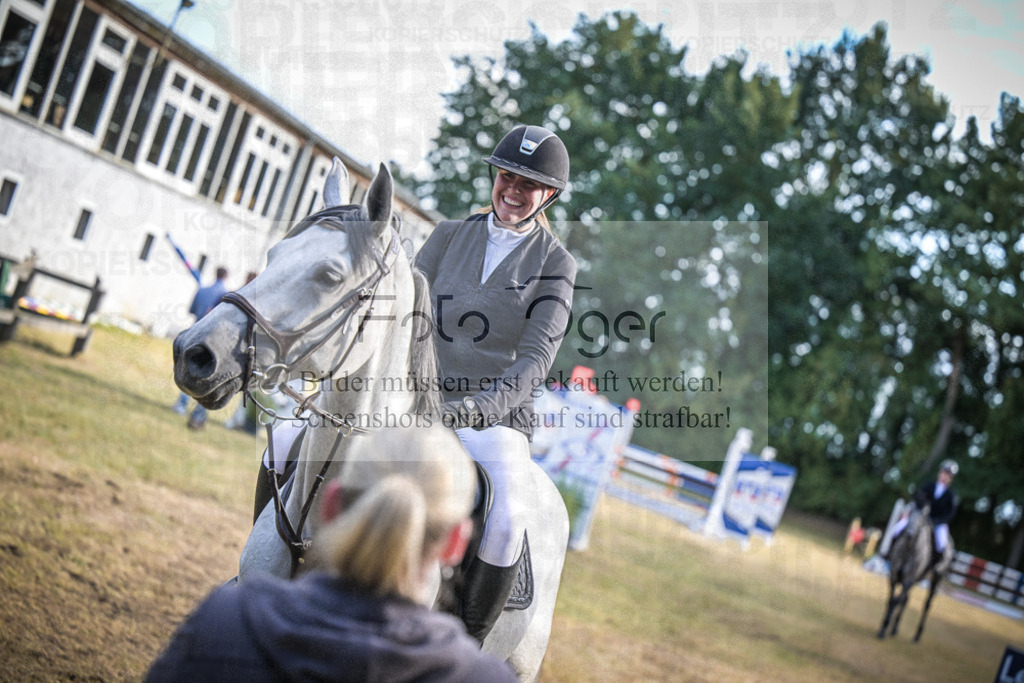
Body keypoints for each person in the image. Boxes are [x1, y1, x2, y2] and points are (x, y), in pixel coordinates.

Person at [146, 425, 517, 682]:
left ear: (332, 506)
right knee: (284, 438)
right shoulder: (485, 679)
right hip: (403, 398)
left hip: (482, 419)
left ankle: (474, 629)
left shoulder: (219, 621)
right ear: (455, 543)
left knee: (508, 522)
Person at [414, 124, 577, 642]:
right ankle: (266, 574)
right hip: (420, 396)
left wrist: (476, 409)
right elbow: (407, 315)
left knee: (508, 515)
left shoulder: (556, 264)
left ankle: (466, 644)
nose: (513, 189)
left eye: (528, 184)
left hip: (497, 418)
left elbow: (534, 359)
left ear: (547, 195)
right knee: (292, 447)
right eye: (507, 175)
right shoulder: (447, 235)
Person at [173, 267, 230, 429]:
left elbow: (191, 310)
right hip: (213, 341)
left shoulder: (203, 290)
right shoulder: (226, 296)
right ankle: (198, 413)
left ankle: (182, 405)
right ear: (226, 277)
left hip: (195, 334)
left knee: (188, 371)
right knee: (208, 377)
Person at [888, 459, 959, 563]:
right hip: (922, 516)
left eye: (947, 475)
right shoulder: (928, 486)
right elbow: (919, 499)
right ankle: (889, 553)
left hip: (938, 522)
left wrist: (937, 521)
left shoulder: (951, 495)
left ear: (950, 478)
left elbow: (949, 514)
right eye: (943, 473)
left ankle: (934, 565)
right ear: (939, 473)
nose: (944, 476)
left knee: (941, 543)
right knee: (899, 527)